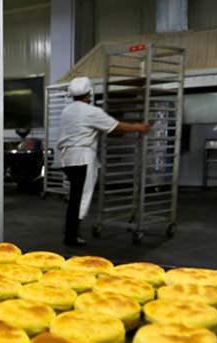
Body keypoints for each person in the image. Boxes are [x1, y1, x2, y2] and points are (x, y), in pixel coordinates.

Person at [57, 76, 151, 245]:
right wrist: (139, 127)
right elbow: (117, 126)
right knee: (82, 197)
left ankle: (69, 233)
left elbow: (82, 130)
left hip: (67, 159)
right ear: (89, 93)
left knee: (74, 198)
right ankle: (71, 237)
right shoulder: (91, 111)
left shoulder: (67, 111)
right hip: (82, 159)